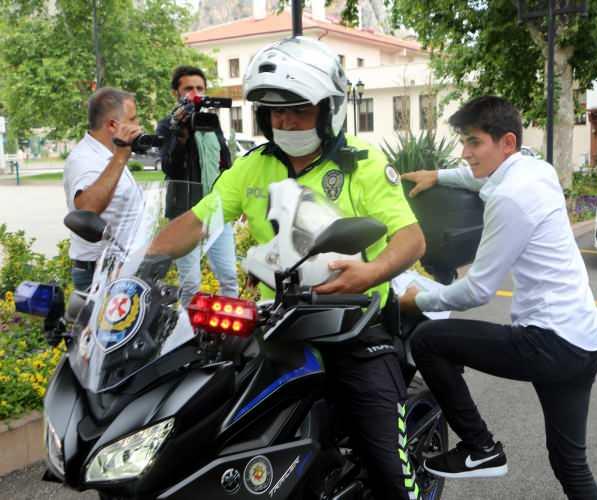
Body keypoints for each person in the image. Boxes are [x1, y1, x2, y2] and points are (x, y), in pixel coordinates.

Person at [148, 37, 426, 500]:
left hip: (354, 330)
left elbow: (411, 238)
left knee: (387, 465)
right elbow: (199, 221)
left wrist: (369, 274)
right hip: (277, 325)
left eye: (298, 110)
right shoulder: (253, 167)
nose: (285, 122)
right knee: (209, 429)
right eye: (275, 112)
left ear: (327, 109)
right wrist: (144, 264)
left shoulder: (363, 163)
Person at [400, 96, 597, 499]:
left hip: (548, 343)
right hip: (586, 340)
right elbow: (479, 177)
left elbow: (478, 290)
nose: (465, 152)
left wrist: (418, 300)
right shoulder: (536, 169)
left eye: (474, 143)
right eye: (464, 142)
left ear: (507, 142)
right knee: (570, 464)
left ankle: (480, 449)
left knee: (429, 341)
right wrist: (438, 175)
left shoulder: (509, 198)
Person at [156, 65, 238, 306]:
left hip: (217, 210)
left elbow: (225, 162)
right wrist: (180, 135)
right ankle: (188, 333)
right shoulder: (167, 125)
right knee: (190, 283)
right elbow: (169, 167)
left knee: (229, 277)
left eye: (200, 88)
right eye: (188, 89)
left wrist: (235, 199)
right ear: (176, 93)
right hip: (185, 213)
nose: (195, 93)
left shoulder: (211, 122)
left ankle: (230, 333)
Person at [63, 87, 144, 291]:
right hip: (100, 273)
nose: (138, 126)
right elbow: (87, 208)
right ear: (112, 125)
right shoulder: (85, 159)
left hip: (123, 267)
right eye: (133, 120)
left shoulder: (109, 154)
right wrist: (120, 156)